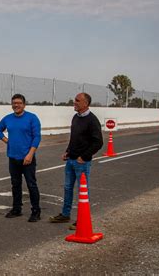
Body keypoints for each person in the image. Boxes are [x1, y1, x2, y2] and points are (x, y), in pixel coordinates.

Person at [49, 93, 103, 229]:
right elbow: (74, 138)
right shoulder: (75, 117)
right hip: (71, 160)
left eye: (78, 101)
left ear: (86, 103)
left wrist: (84, 157)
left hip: (82, 162)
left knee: (82, 191)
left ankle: (82, 219)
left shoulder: (92, 120)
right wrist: (68, 152)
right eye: (75, 100)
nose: (75, 103)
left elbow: (98, 142)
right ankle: (65, 214)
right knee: (67, 188)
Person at [0, 94, 42, 222]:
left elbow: (37, 137)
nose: (16, 105)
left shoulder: (32, 118)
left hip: (27, 158)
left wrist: (30, 154)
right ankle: (17, 209)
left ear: (24, 105)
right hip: (13, 157)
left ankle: (36, 211)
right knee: (15, 184)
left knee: (31, 185)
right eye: (14, 103)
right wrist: (7, 141)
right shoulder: (8, 119)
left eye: (19, 103)